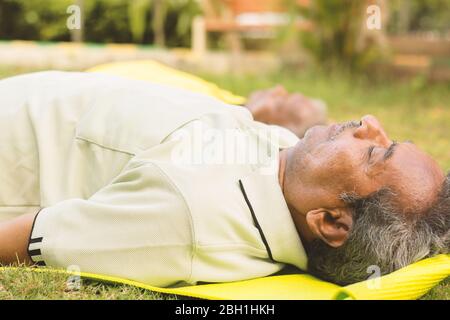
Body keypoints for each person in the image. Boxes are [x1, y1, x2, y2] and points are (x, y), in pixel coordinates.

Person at [0, 71, 447, 287]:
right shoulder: (289, 176)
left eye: (375, 152)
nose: (369, 120)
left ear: (331, 222)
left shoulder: (189, 214)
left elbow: (24, 239)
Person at [87, 60, 327, 138]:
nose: (277, 89)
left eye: (281, 103)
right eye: (285, 93)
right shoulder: (225, 97)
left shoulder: (209, 123)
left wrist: (244, 114)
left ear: (274, 131)